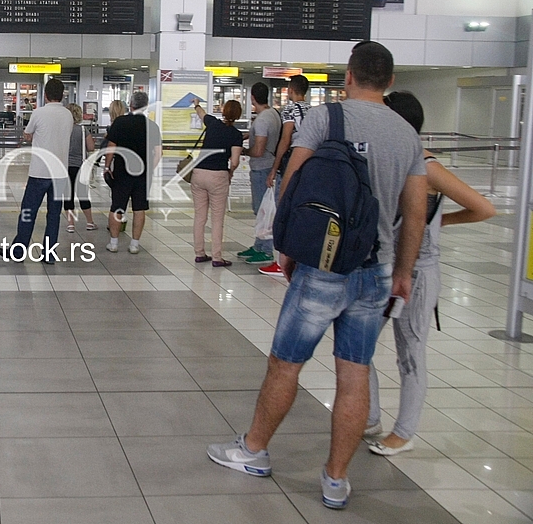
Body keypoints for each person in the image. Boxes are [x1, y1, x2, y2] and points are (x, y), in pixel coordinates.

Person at [207, 41, 427, 511]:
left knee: (286, 363)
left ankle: (253, 451)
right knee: (354, 373)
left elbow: (294, 181)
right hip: (376, 272)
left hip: (324, 266)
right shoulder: (407, 134)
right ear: (389, 82)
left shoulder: (327, 119)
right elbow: (415, 212)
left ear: (348, 76)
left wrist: (287, 245)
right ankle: (335, 478)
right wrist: (403, 272)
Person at [366, 91, 495, 456]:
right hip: (382, 267)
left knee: (410, 353)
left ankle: (404, 432)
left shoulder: (427, 164)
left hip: (419, 273)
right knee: (358, 347)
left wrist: (434, 223)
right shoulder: (392, 158)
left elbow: (482, 208)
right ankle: (370, 416)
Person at [9, 79, 74, 262]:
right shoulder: (68, 115)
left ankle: (19, 251)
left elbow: (28, 134)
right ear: (62, 95)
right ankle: (49, 254)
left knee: (28, 212)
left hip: (39, 172)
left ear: (45, 95)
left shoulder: (38, 113)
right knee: (54, 215)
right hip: (60, 173)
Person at [259, 74, 312, 277]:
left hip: (293, 163)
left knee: (284, 210)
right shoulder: (314, 111)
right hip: (310, 166)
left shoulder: (290, 110)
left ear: (291, 90)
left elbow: (285, 139)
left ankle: (282, 261)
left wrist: (275, 167)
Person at [103, 91, 161, 254]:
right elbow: (159, 153)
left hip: (122, 173)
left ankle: (114, 243)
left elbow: (111, 148)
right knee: (139, 208)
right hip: (143, 174)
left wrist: (107, 166)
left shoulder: (120, 122)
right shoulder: (152, 126)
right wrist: (150, 169)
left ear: (131, 104)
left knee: (117, 207)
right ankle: (134, 244)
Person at [190, 99, 244, 267]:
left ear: (223, 111)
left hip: (198, 173)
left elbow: (201, 114)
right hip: (218, 176)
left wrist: (197, 104)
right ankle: (216, 257)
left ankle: (199, 253)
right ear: (238, 115)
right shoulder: (236, 135)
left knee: (200, 216)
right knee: (217, 218)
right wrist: (230, 173)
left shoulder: (212, 123)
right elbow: (234, 161)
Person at [238, 83, 281, 265]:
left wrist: (243, 151)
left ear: (252, 98)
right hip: (268, 167)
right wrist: (247, 136)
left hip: (262, 169)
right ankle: (259, 245)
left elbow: (259, 150)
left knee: (263, 210)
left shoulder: (262, 120)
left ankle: (266, 249)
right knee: (264, 209)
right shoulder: (272, 114)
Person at [64, 103, 97, 233]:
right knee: (83, 195)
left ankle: (70, 224)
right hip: (80, 167)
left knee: (68, 196)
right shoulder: (83, 130)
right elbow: (91, 147)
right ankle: (90, 222)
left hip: (65, 167)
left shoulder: (62, 130)